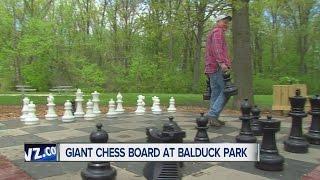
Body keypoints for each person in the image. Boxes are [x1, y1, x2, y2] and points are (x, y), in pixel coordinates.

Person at [204, 14, 232, 127]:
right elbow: (217, 49)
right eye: (224, 21)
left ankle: (213, 118)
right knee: (227, 91)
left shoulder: (213, 33)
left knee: (215, 93)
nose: (226, 24)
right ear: (218, 22)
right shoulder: (218, 32)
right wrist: (222, 63)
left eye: (227, 22)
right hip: (217, 67)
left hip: (211, 67)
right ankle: (212, 114)